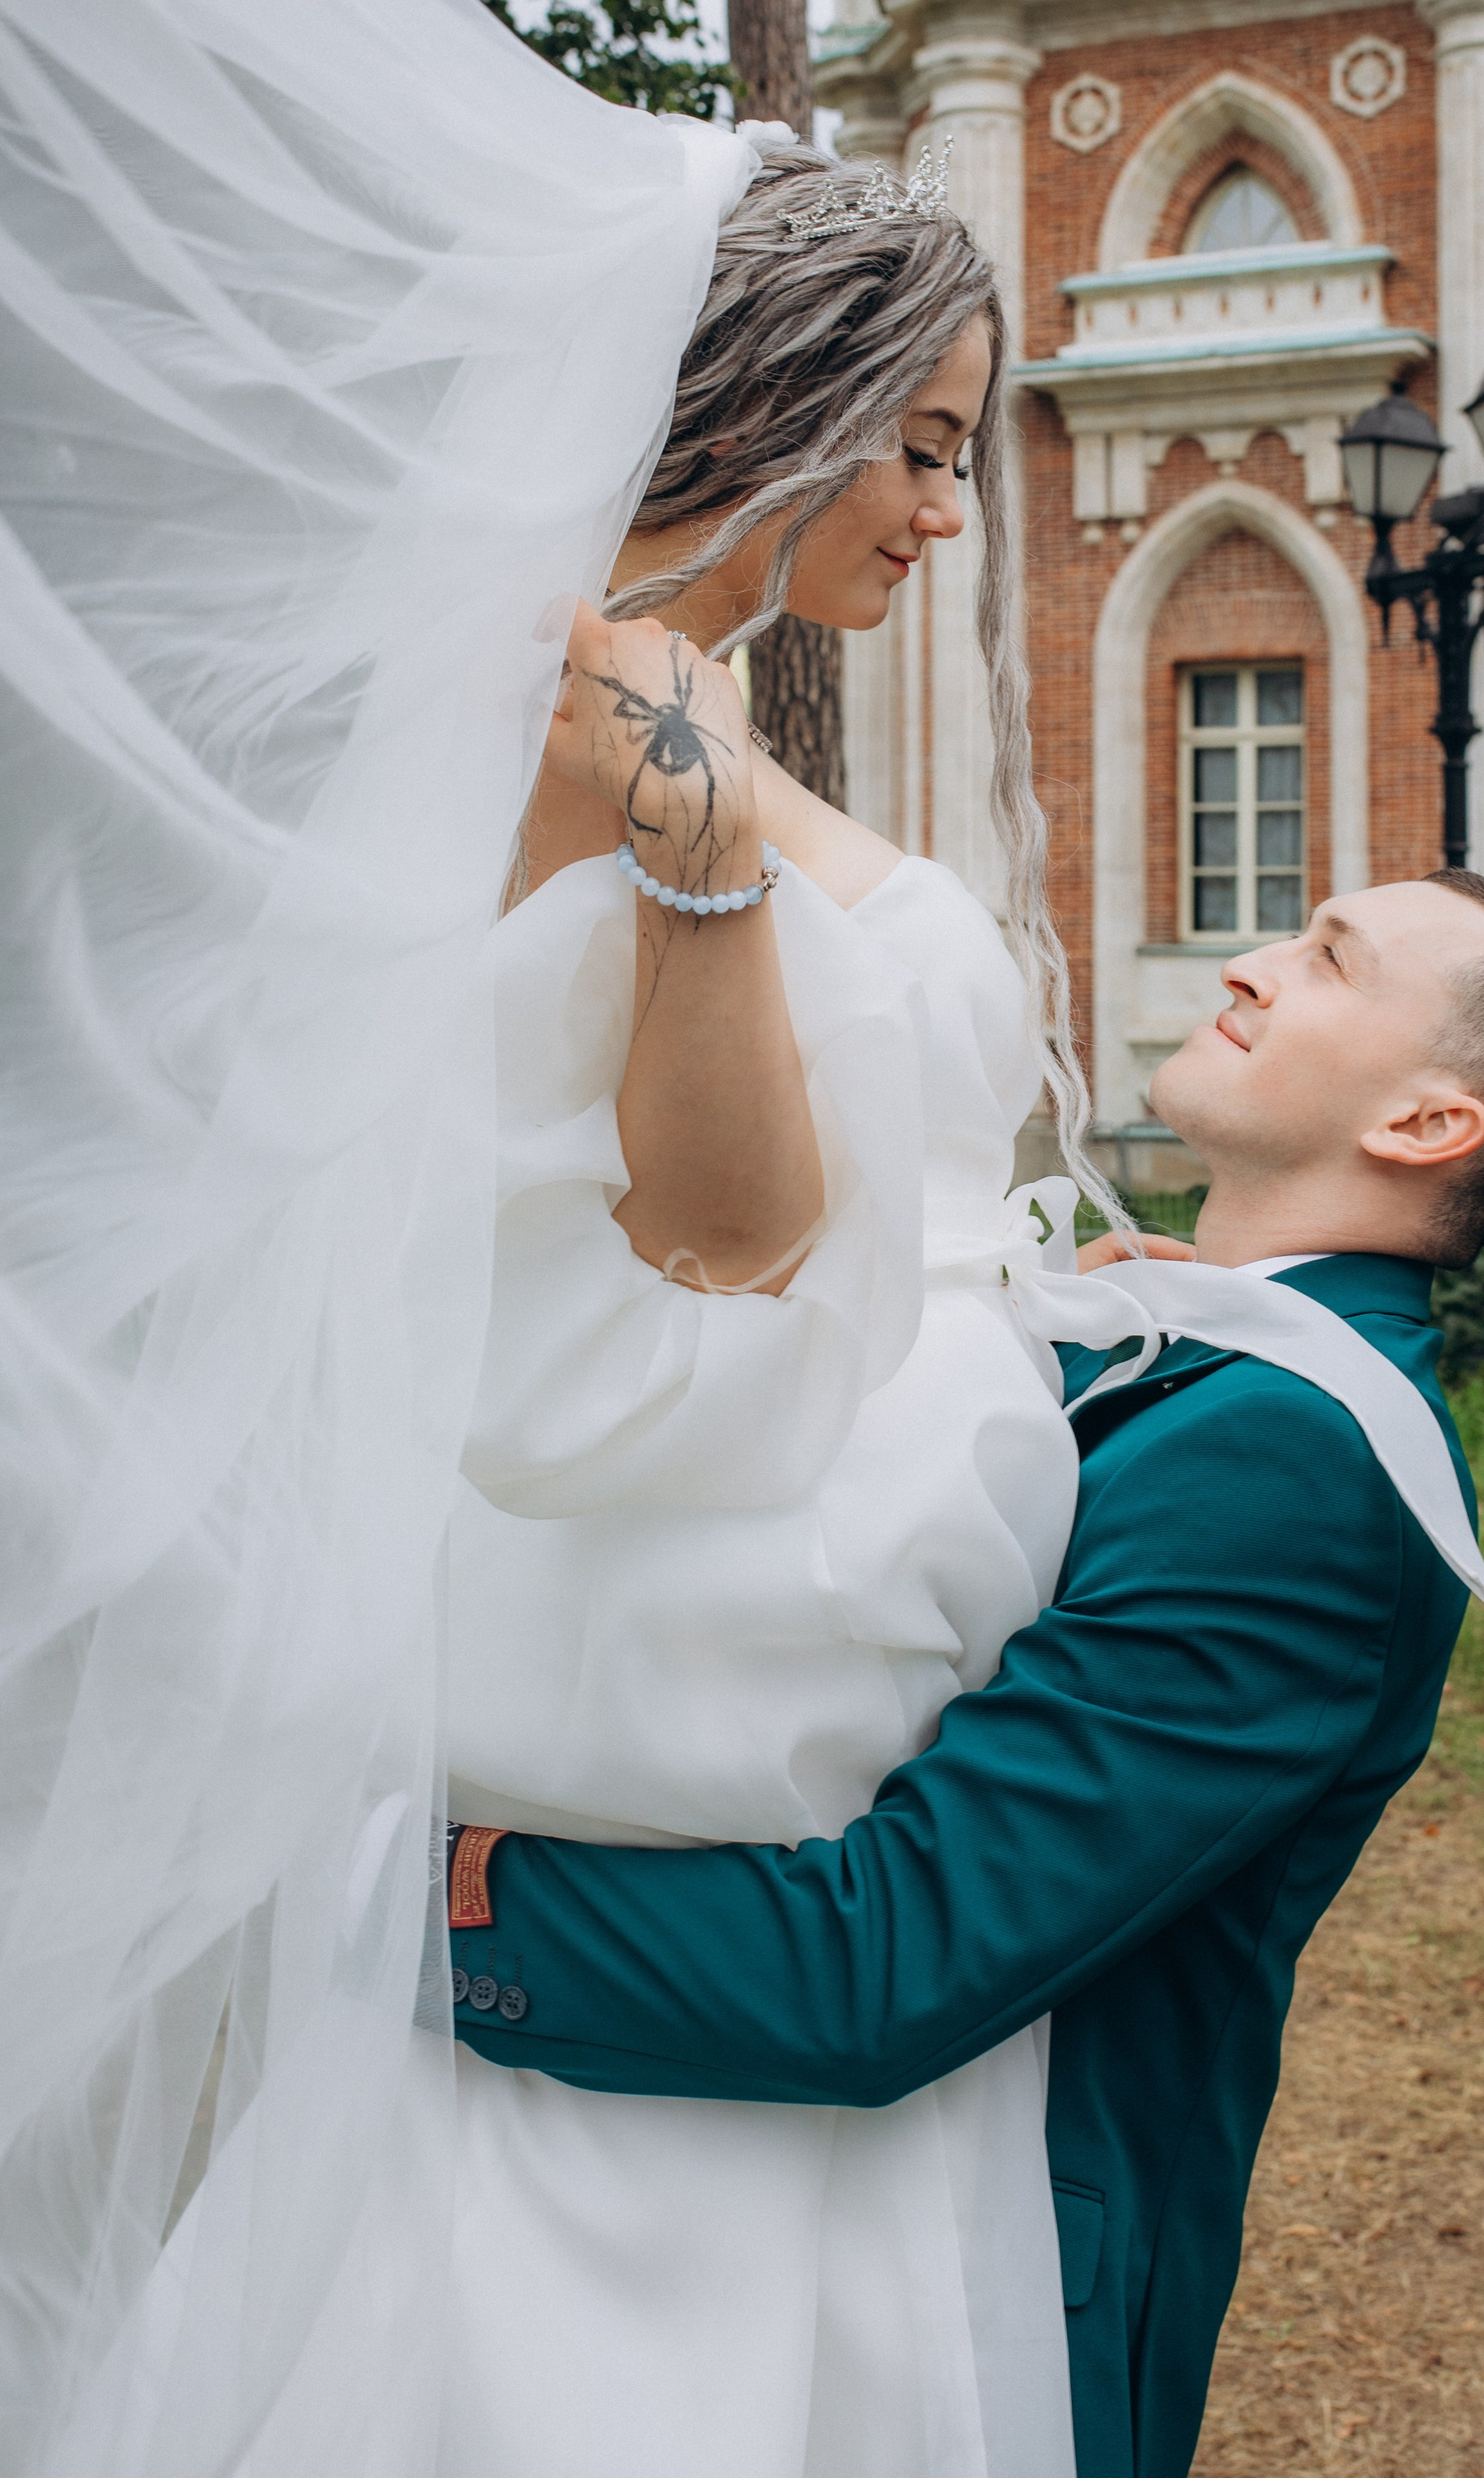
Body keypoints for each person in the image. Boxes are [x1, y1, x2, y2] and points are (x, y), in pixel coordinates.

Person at [444, 872, 1484, 2478]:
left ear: (1428, 1122)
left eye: (1328, 959)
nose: (1249, 960)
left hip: (965, 2298)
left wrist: (404, 1899)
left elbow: (885, 1964)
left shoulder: (1302, 1465)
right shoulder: (1163, 1347)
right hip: (721, 2201)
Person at [421, 135, 1135, 2478]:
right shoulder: (581, 718)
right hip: (661, 1656)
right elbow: (717, 1249)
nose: (949, 508)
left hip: (809, 1698)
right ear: (780, 385)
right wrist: (712, 866)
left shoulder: (680, 693)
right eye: (926, 443)